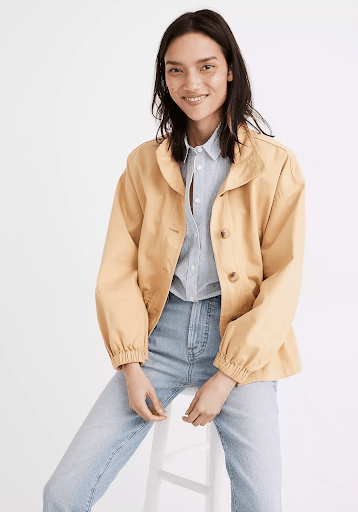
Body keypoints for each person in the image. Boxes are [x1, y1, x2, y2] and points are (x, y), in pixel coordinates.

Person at [43, 8, 306, 512]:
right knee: (63, 493)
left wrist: (228, 374)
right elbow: (118, 268)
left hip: (243, 340)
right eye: (176, 70)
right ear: (164, 78)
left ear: (231, 70)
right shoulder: (144, 163)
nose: (192, 83)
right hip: (158, 337)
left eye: (207, 66)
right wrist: (130, 363)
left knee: (262, 504)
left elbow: (285, 278)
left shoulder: (276, 165)